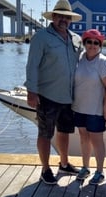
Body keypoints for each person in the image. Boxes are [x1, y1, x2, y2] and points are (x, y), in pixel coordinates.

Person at [25, 0, 82, 185]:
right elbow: (32, 65)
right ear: (53, 17)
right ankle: (45, 169)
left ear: (70, 20)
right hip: (47, 95)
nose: (64, 20)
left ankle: (64, 163)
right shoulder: (41, 37)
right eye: (60, 16)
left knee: (64, 132)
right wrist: (32, 91)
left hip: (68, 96)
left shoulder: (76, 39)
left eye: (67, 17)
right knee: (45, 133)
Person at [72, 29, 106, 185]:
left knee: (97, 140)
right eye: (89, 41)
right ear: (84, 43)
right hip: (78, 107)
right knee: (83, 138)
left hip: (96, 109)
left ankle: (99, 171)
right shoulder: (80, 58)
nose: (92, 45)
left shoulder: (104, 61)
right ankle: (85, 167)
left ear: (100, 45)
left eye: (96, 42)